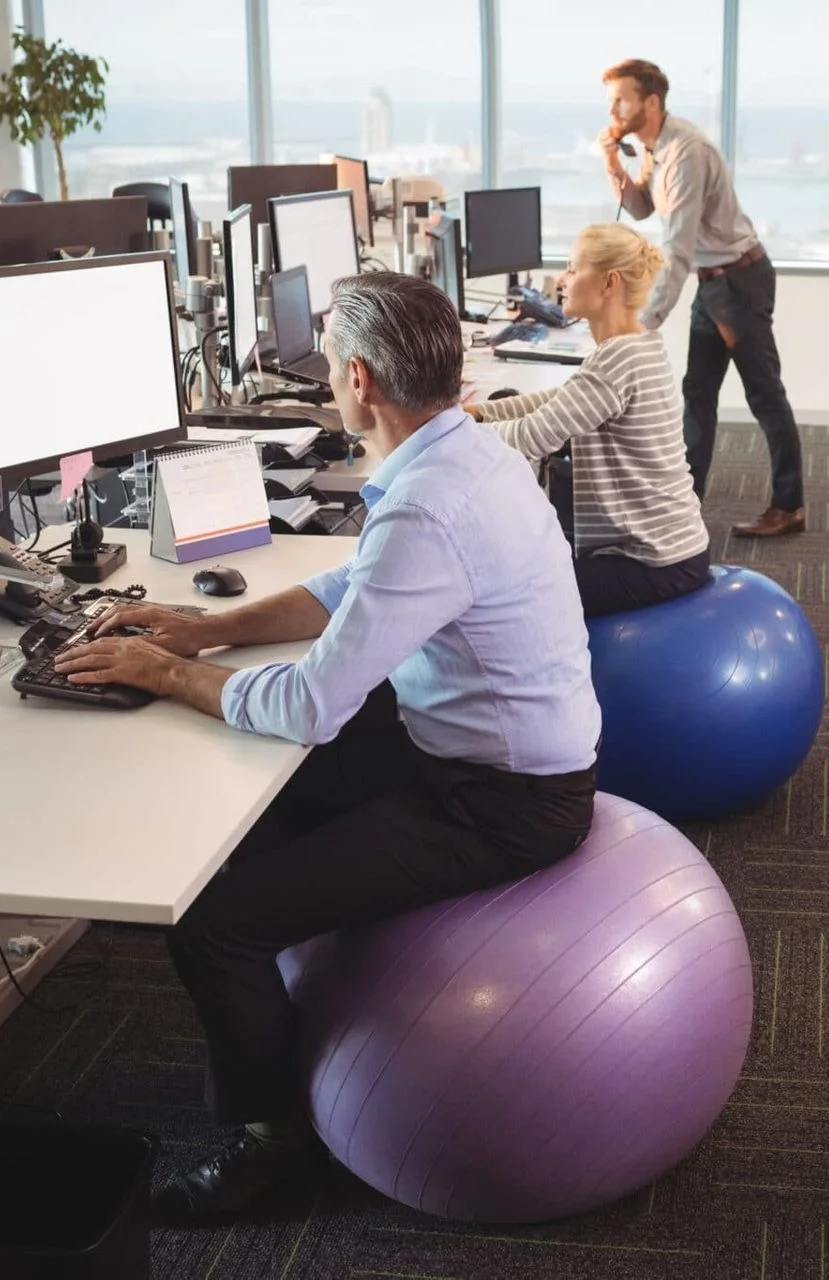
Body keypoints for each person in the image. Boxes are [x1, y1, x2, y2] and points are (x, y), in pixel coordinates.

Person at [54, 273, 602, 1224]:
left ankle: (271, 1145)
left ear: (356, 379)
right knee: (243, 822)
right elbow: (350, 582)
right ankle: (283, 1024)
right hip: (469, 750)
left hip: (503, 801)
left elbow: (310, 704)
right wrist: (201, 632)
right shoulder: (461, 457)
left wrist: (160, 674)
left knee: (216, 919)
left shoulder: (429, 505)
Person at [601, 58, 805, 539]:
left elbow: (676, 250)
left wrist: (643, 324)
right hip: (714, 281)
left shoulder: (685, 154)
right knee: (697, 392)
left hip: (737, 280)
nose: (612, 109)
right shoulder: (656, 146)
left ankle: (790, 505)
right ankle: (685, 504)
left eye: (620, 99)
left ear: (650, 102)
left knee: (764, 394)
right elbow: (641, 207)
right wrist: (613, 162)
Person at [465, 223, 710, 616]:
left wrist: (446, 436)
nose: (562, 280)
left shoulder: (619, 358)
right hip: (671, 549)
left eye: (573, 269)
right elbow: (564, 400)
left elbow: (532, 437)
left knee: (510, 596)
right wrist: (480, 413)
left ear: (608, 282)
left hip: (652, 561)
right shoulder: (635, 344)